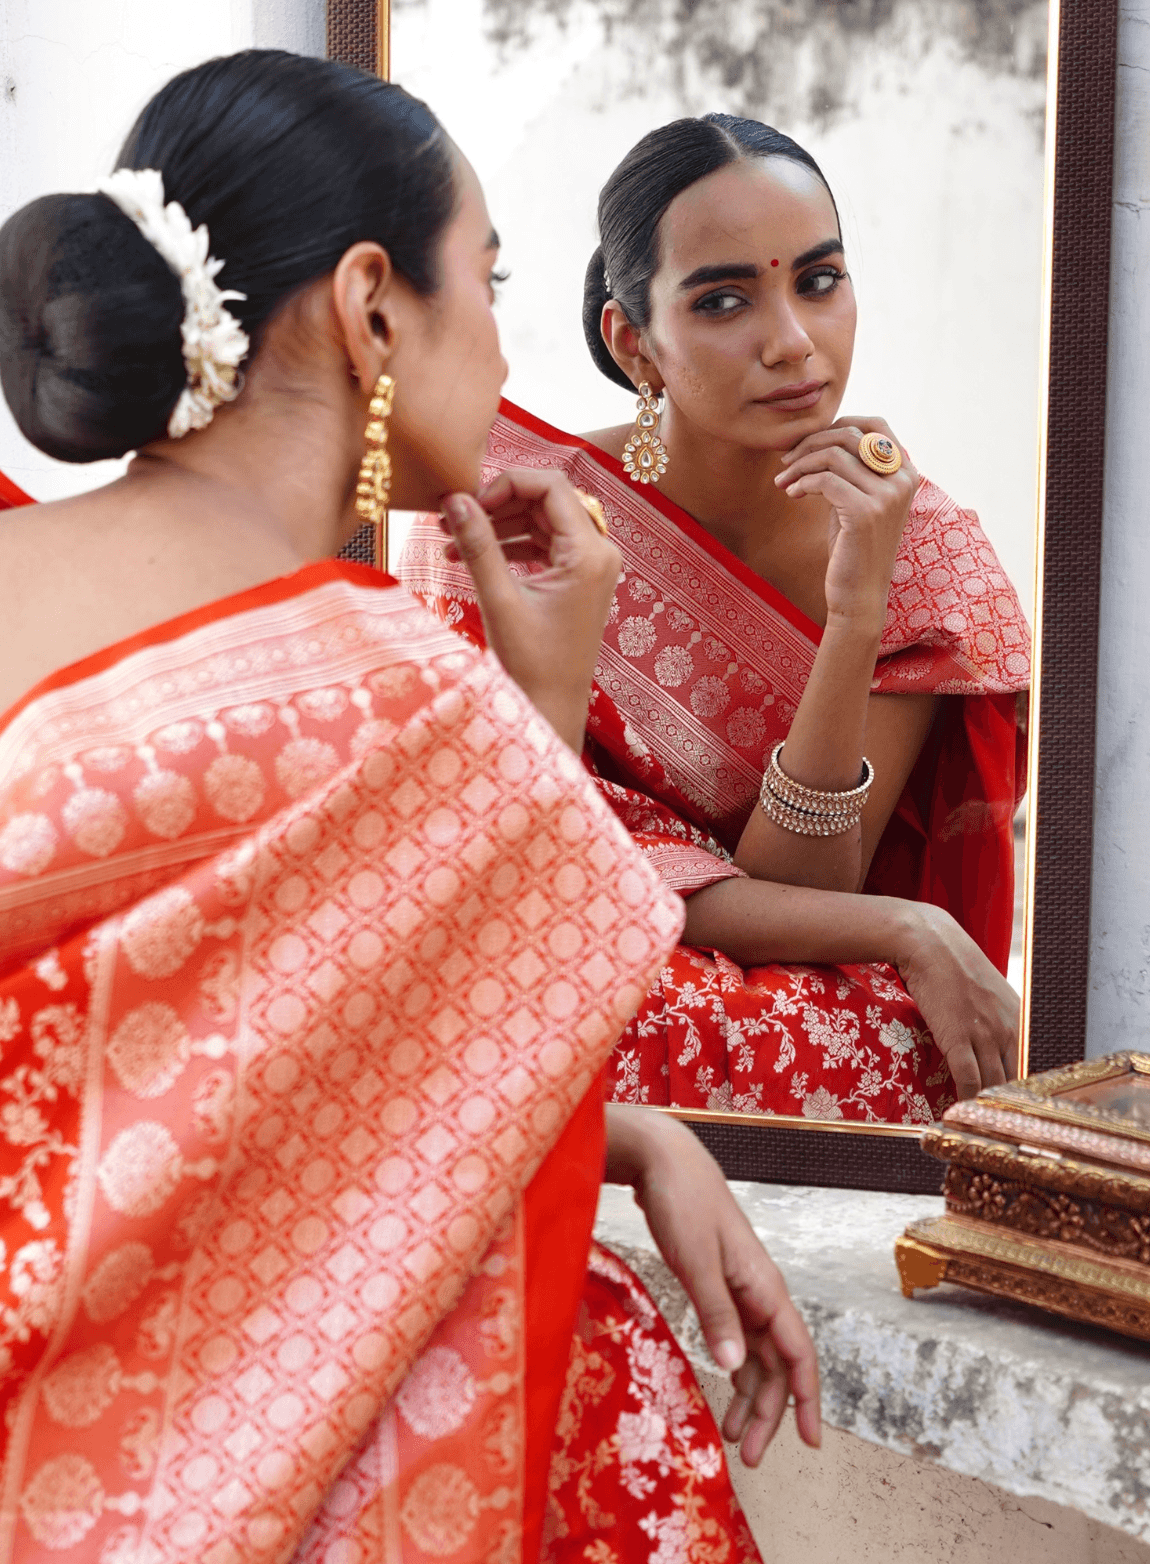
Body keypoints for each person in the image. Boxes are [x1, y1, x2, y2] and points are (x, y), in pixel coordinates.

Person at [0, 54, 845, 1564]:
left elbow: (153, 1098)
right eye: (492, 284)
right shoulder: (381, 691)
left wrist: (626, 1132)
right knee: (611, 1422)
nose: (510, 357)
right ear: (373, 303)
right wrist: (536, 692)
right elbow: (354, 1050)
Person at [399, 114, 1030, 1123]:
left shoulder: (922, 550)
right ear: (633, 343)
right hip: (568, 934)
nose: (792, 342)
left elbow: (813, 882)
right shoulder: (518, 513)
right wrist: (907, 928)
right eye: (726, 300)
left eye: (819, 280)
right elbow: (530, 851)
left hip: (806, 972)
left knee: (886, 1038)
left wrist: (856, 608)